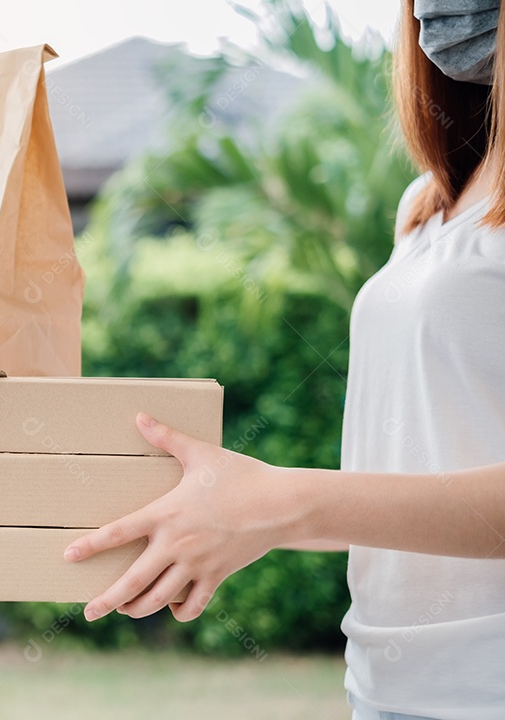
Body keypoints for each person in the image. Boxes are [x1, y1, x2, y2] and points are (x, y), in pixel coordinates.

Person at [65, 1, 505, 718]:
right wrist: (231, 512)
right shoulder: (430, 203)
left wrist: (284, 504)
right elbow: (413, 483)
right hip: (387, 688)